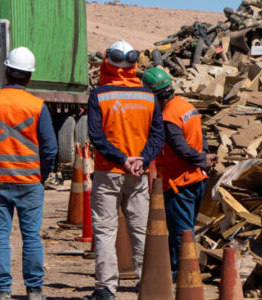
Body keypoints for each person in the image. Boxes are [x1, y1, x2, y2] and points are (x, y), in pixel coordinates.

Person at [0, 47, 57, 300]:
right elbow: (49, 148)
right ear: (29, 77)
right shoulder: (37, 106)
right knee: (31, 236)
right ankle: (35, 290)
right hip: (30, 181)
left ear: (7, 73)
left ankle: (2, 290)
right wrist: (42, 175)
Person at [83, 40, 165, 300]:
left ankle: (106, 288)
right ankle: (147, 283)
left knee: (106, 230)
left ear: (108, 63)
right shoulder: (148, 96)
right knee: (140, 229)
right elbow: (157, 135)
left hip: (109, 171)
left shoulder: (100, 95)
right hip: (137, 174)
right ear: (133, 65)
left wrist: (122, 160)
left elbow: (96, 136)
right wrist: (140, 160)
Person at [141, 66, 215, 275]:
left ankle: (179, 275)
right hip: (197, 179)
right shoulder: (186, 106)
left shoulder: (167, 117)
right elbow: (201, 137)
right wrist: (205, 157)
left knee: (180, 234)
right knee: (187, 231)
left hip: (179, 183)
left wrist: (201, 159)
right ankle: (186, 270)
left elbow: (180, 148)